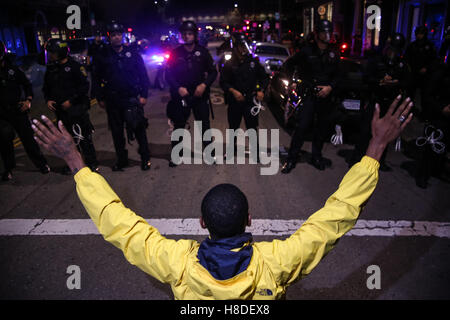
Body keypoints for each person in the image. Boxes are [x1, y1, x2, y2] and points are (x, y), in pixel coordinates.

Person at [31, 95, 413, 300]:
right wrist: (376, 146)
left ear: (201, 223)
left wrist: (74, 160)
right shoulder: (276, 264)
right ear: (250, 220)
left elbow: (116, 223)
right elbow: (337, 215)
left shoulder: (176, 264)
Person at [281, 20, 341, 174]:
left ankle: (316, 157)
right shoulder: (307, 51)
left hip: (325, 98)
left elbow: (339, 75)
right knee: (301, 128)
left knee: (321, 130)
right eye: (324, 33)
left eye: (329, 32)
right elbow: (288, 65)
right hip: (309, 96)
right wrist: (294, 82)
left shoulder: (333, 53)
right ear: (317, 34)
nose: (327, 36)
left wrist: (330, 87)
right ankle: (291, 159)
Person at [92, 21, 151, 171]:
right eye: (113, 35)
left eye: (119, 34)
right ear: (109, 37)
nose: (116, 37)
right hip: (113, 100)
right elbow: (96, 78)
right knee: (117, 134)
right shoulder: (102, 55)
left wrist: (144, 94)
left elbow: (143, 75)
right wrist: (99, 98)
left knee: (139, 130)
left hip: (131, 98)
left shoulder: (132, 53)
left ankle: (145, 158)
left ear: (122, 36)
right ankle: (122, 159)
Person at [349, 33, 411, 171]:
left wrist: (396, 83)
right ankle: (356, 159)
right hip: (375, 100)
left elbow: (407, 82)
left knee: (385, 133)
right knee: (366, 132)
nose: (392, 53)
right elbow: (366, 78)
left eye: (396, 50)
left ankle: (379, 161)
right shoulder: (376, 61)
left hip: (390, 103)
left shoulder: (401, 65)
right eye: (391, 49)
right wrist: (379, 81)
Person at [165, 20, 218, 167]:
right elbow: (168, 75)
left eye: (190, 33)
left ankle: (210, 155)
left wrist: (204, 84)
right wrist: (177, 88)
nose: (187, 36)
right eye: (185, 34)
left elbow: (213, 72)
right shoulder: (175, 53)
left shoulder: (203, 52)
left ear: (195, 35)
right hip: (182, 95)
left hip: (199, 95)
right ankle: (176, 155)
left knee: (204, 126)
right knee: (179, 126)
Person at [43, 38, 99, 173]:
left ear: (60, 52)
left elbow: (84, 87)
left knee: (83, 138)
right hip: (61, 112)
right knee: (68, 141)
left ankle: (92, 164)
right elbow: (46, 88)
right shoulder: (51, 69)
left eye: (52, 52)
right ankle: (75, 164)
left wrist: (71, 101)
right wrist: (48, 99)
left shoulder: (75, 66)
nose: (50, 55)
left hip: (76, 110)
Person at [0, 40, 50, 181]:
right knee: (5, 141)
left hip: (18, 110)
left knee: (28, 140)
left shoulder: (13, 70)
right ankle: (8, 169)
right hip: (2, 115)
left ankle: (42, 164)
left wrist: (28, 100)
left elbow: (27, 85)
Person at [219, 33, 269, 160]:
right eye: (241, 46)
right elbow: (223, 82)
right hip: (235, 100)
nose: (243, 49)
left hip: (250, 100)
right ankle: (231, 149)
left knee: (252, 127)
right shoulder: (229, 63)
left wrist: (261, 90)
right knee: (233, 127)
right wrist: (233, 91)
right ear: (235, 47)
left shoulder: (253, 62)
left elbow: (264, 78)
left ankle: (256, 152)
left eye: (245, 46)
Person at [414, 59, 450, 188]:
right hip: (437, 116)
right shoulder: (440, 74)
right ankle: (422, 176)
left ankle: (437, 170)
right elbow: (427, 95)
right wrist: (441, 108)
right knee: (431, 146)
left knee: (443, 147)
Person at [404, 26, 437, 120]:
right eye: (418, 34)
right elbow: (407, 58)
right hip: (413, 73)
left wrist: (427, 68)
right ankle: (408, 110)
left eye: (421, 34)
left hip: (425, 75)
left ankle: (424, 114)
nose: (419, 36)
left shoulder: (429, 46)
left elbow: (434, 60)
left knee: (425, 95)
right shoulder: (412, 45)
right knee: (410, 93)